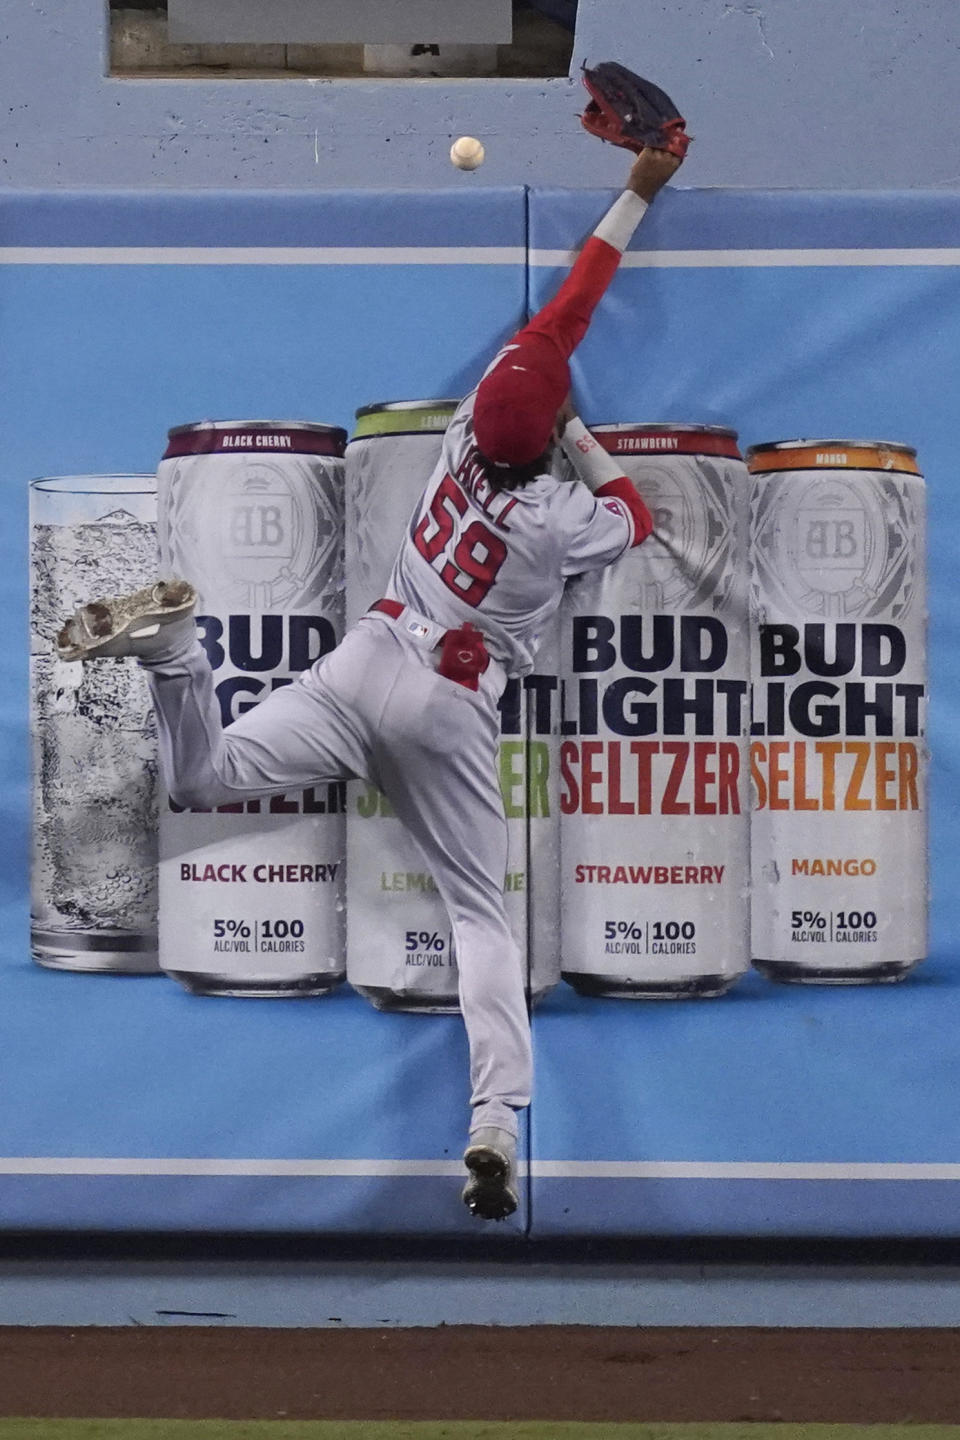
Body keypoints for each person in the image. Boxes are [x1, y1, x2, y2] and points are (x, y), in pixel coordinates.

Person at [57, 145, 683, 1222]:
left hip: (369, 657)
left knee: (204, 784)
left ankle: (173, 654)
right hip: (448, 710)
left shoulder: (460, 429)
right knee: (485, 920)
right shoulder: (549, 520)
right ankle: (494, 1125)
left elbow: (559, 319)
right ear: (540, 441)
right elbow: (637, 513)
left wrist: (627, 199)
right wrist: (583, 425)